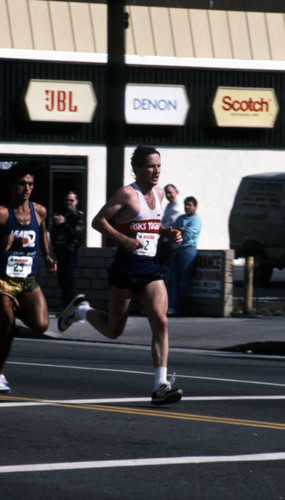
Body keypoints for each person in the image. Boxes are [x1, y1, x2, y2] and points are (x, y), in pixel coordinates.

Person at [58, 146, 183, 405]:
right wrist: (123, 239)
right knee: (114, 330)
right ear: (137, 168)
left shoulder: (160, 194)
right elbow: (98, 221)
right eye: (150, 166)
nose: (156, 170)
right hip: (125, 269)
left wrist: (167, 233)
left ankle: (160, 385)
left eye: (159, 165)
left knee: (161, 321)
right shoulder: (126, 194)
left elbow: (152, 224)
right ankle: (81, 311)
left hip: (150, 269)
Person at [0, 162, 57, 392]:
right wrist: (1, 246)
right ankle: (0, 374)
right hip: (3, 280)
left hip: (27, 279)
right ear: (12, 185)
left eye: (30, 184)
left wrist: (48, 256)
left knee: (41, 324)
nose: (27, 188)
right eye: (22, 184)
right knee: (6, 328)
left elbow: (42, 232)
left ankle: (12, 312)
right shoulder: (3, 213)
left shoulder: (39, 210)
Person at [167, 196, 202, 316]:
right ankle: (171, 306)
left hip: (188, 250)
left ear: (195, 207)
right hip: (176, 250)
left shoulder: (196, 219)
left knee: (183, 280)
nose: (187, 207)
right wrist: (180, 229)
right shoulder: (180, 218)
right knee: (172, 280)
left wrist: (181, 230)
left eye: (189, 205)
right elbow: (171, 229)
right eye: (185, 205)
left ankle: (179, 307)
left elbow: (189, 235)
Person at [51, 191, 85, 308]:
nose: (68, 202)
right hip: (61, 250)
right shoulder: (63, 215)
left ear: (76, 202)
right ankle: (66, 305)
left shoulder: (78, 215)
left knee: (69, 280)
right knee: (62, 280)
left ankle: (69, 307)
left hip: (70, 251)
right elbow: (55, 233)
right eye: (67, 200)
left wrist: (64, 223)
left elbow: (77, 233)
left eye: (71, 200)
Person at [158, 184, 184, 266]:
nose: (168, 195)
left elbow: (173, 223)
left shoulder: (178, 205)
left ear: (176, 191)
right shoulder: (170, 205)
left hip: (172, 240)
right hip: (166, 238)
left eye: (170, 192)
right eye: (166, 193)